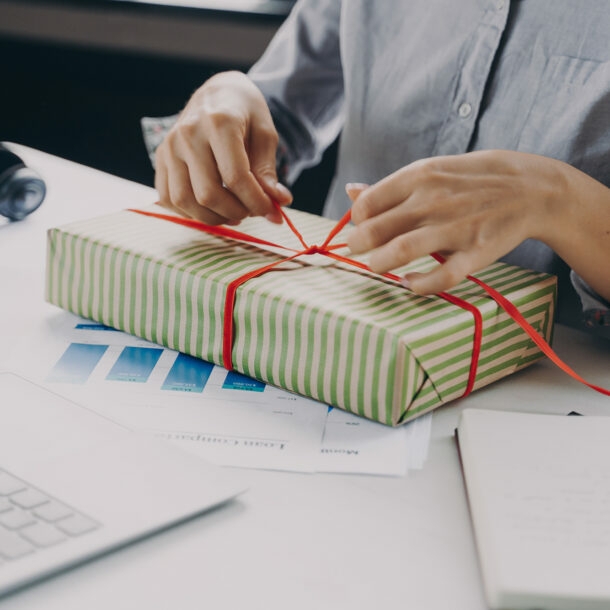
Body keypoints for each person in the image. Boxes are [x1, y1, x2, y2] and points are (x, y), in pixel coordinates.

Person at [148, 0, 610, 336]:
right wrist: (228, 99)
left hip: (551, 402)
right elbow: (276, 113)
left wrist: (556, 199)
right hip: (322, 327)